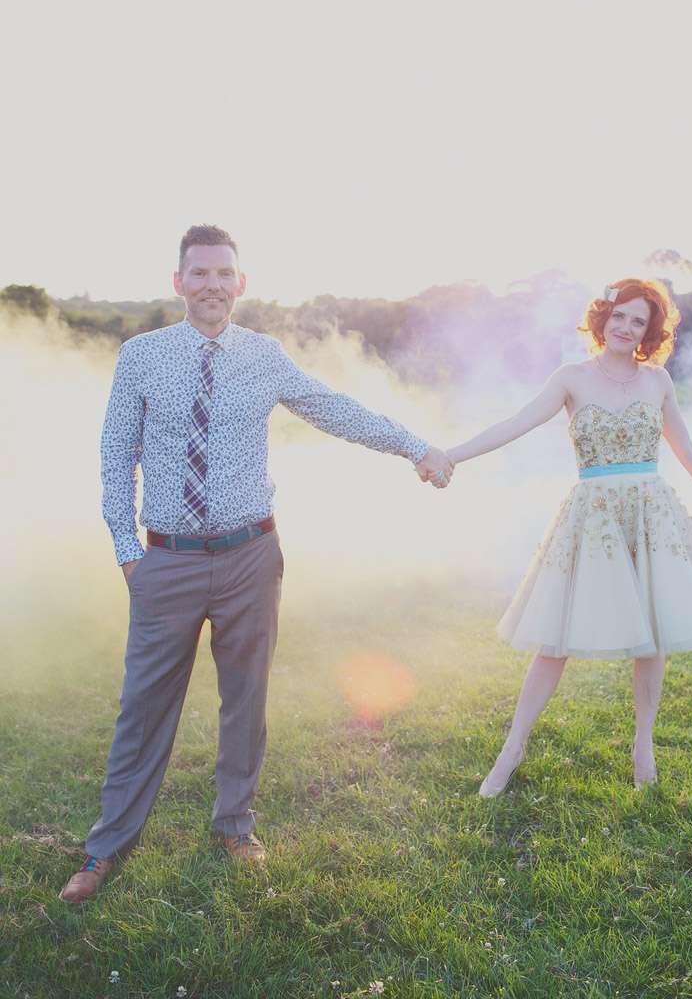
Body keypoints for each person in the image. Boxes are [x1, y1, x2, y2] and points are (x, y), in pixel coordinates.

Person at [59, 223, 452, 903]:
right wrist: (128, 554)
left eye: (224, 274)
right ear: (178, 282)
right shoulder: (142, 356)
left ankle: (235, 827)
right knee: (142, 707)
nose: (212, 284)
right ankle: (105, 849)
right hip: (167, 561)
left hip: (251, 556)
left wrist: (415, 446)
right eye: (200, 273)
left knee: (246, 699)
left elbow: (334, 410)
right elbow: (116, 455)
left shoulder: (264, 357)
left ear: (240, 283)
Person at [443, 279, 692, 797]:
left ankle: (643, 744)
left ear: (649, 331)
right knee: (555, 638)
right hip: (593, 518)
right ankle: (513, 747)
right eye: (619, 316)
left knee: (653, 631)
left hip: (651, 513)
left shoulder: (658, 380)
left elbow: (684, 447)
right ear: (603, 318)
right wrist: (453, 455)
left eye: (638, 321)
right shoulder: (571, 378)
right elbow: (517, 423)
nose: (626, 327)